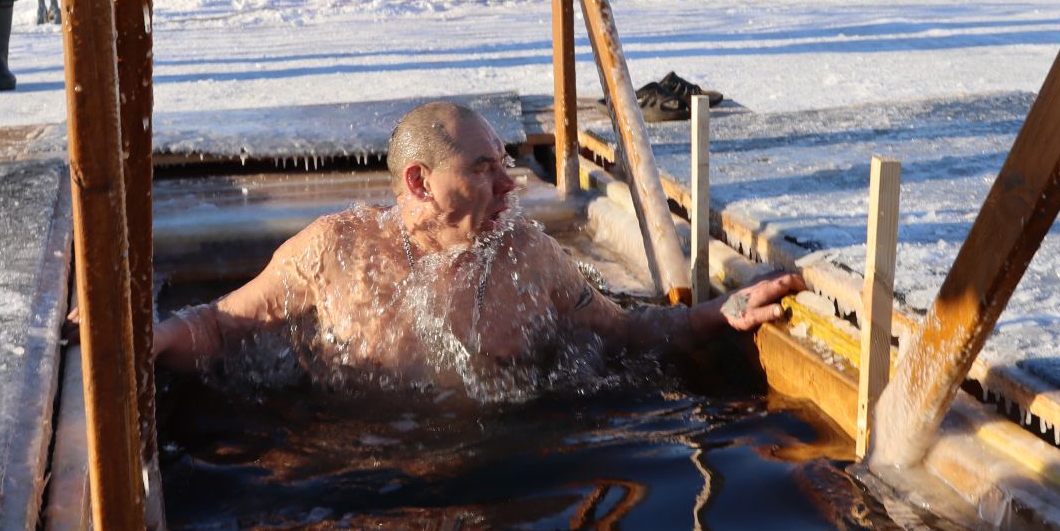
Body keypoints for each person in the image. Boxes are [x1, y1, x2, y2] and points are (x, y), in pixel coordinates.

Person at [154, 101, 803, 389]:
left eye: (505, 161)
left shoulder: (526, 254)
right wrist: (147, 338)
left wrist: (713, 316)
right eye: (484, 168)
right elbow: (217, 327)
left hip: (504, 469)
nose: (509, 181)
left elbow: (623, 335)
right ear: (421, 182)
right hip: (368, 490)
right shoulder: (333, 252)